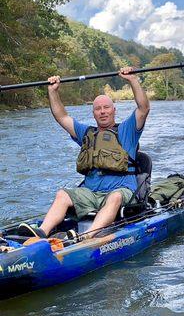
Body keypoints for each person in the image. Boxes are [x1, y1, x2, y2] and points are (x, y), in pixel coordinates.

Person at [19, 66, 150, 242]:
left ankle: (86, 237)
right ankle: (41, 232)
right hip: (90, 193)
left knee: (115, 197)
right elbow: (61, 117)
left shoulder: (128, 131)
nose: (102, 111)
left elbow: (143, 108)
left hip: (120, 191)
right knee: (62, 194)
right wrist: (53, 91)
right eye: (98, 109)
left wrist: (133, 80)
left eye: (106, 107)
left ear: (113, 110)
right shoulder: (86, 133)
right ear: (93, 113)